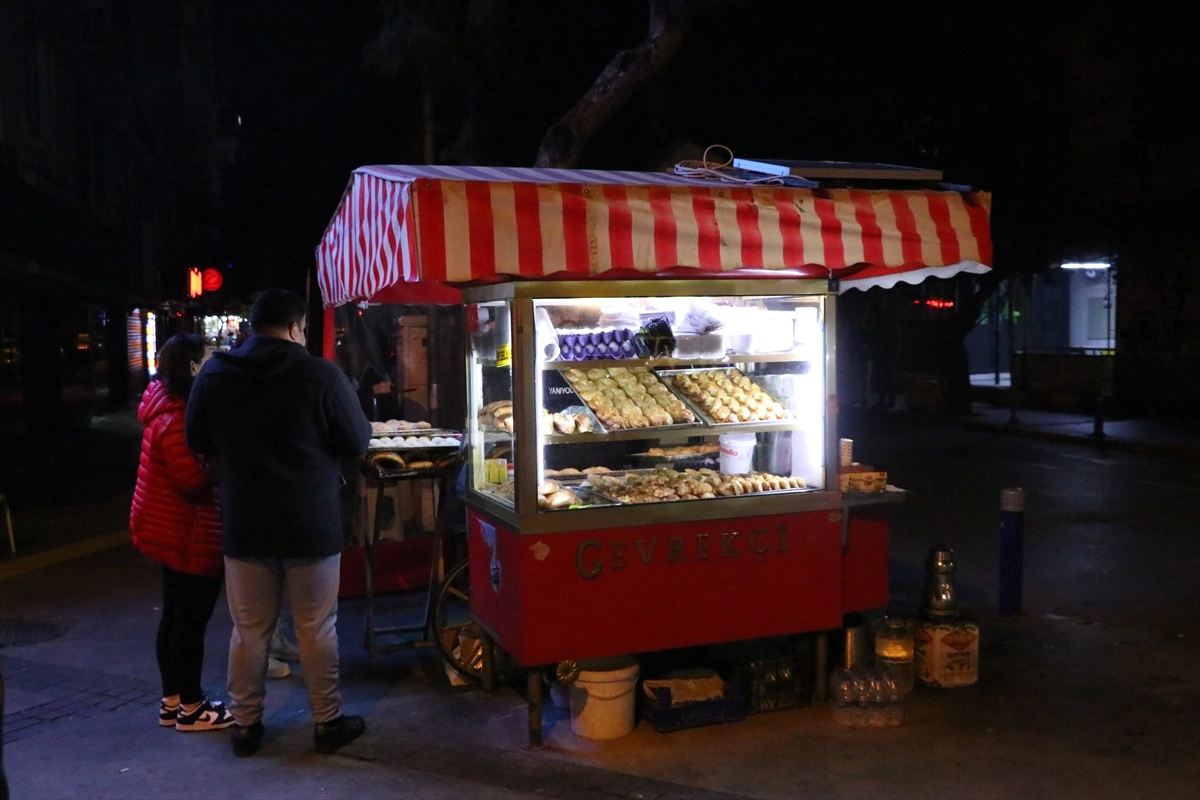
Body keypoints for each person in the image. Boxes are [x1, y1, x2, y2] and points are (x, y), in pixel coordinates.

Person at [186, 289, 371, 757]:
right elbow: (356, 439)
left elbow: (196, 439)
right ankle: (326, 722)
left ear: (251, 327)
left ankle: (245, 726)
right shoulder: (320, 374)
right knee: (316, 625)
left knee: (249, 629)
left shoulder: (215, 374)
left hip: (246, 521)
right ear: (295, 328)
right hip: (310, 520)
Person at [129, 334, 234, 732]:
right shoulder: (176, 418)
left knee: (175, 617)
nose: (213, 364)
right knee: (189, 622)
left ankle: (172, 701)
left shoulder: (167, 409)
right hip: (187, 532)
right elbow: (190, 479)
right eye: (208, 358)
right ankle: (191, 706)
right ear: (192, 368)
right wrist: (219, 459)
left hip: (169, 530)